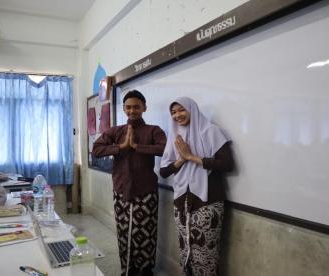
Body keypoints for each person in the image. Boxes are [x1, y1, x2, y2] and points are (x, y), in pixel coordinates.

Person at [92, 90, 167, 276]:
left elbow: (165, 149)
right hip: (121, 189)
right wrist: (121, 147)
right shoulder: (115, 131)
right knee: (124, 233)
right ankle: (127, 269)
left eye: (136, 107)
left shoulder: (153, 130)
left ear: (144, 108)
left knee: (146, 235)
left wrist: (136, 147)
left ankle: (145, 270)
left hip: (146, 191)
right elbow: (96, 150)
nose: (132, 111)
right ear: (124, 109)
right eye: (128, 107)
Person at [160, 97, 234, 276]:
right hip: (181, 201)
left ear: (192, 109)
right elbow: (163, 171)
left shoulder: (210, 131)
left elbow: (227, 164)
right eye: (173, 112)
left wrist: (192, 157)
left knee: (206, 253)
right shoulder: (174, 135)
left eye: (181, 110)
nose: (178, 115)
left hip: (207, 201)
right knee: (186, 250)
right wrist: (180, 160)